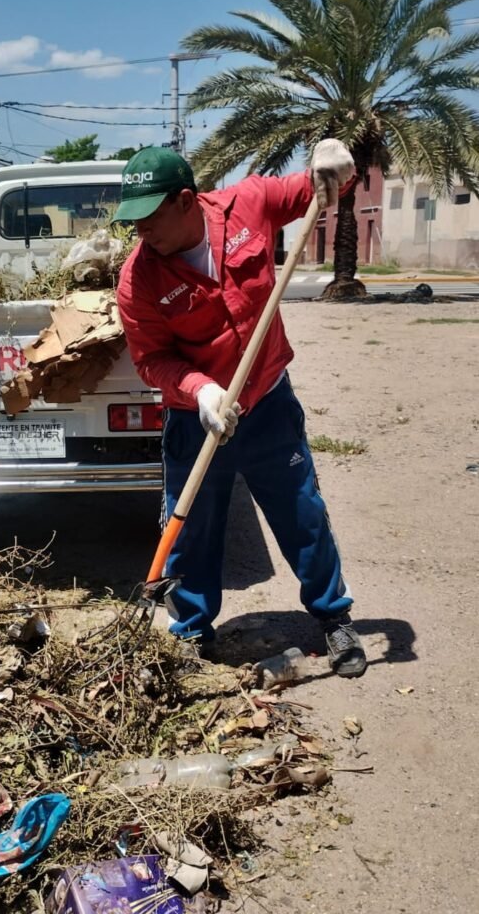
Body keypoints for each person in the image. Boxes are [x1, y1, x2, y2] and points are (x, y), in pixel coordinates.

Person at [114, 142, 366, 678]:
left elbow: (318, 188)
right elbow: (152, 359)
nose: (141, 233)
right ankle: (189, 634)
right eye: (131, 223)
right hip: (197, 417)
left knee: (302, 515)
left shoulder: (247, 205)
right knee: (191, 530)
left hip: (269, 401)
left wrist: (334, 168)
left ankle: (334, 616)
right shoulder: (138, 280)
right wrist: (201, 391)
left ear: (185, 201)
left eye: (148, 219)